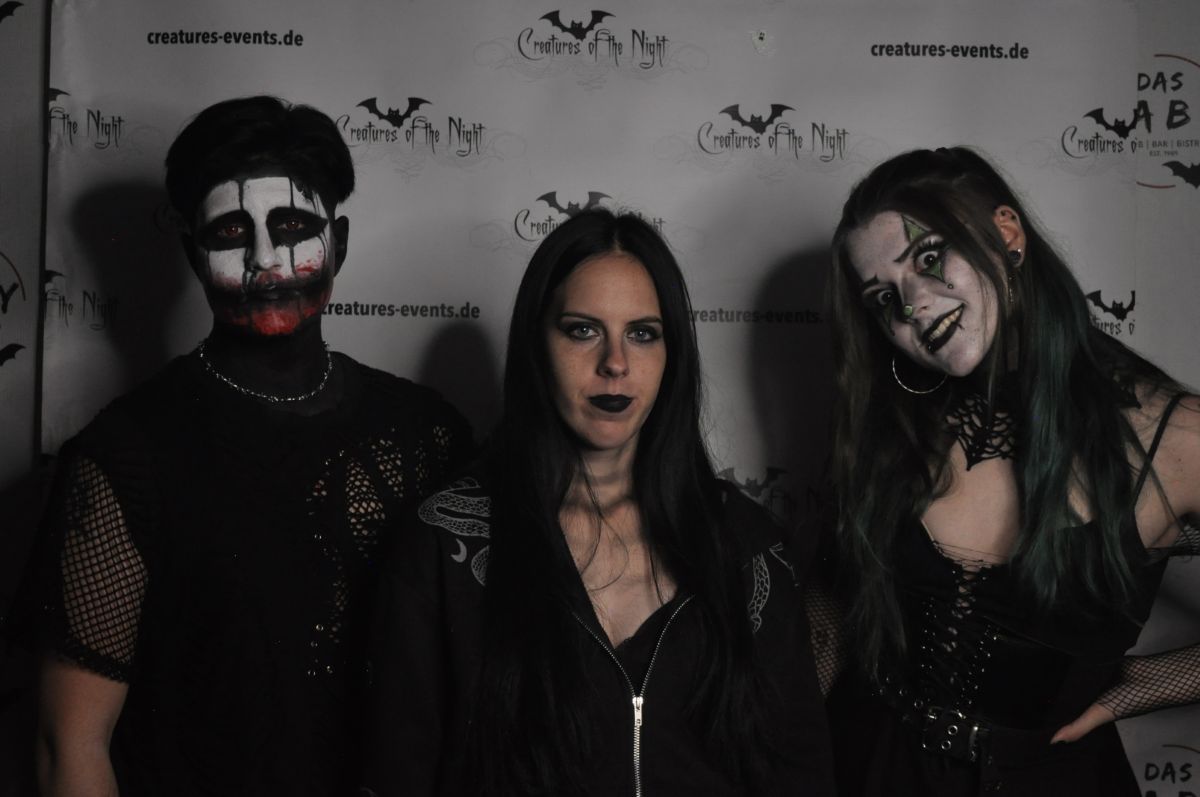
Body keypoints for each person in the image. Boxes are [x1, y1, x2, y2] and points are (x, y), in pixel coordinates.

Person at [30, 96, 472, 796]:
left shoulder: (428, 434)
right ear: (192, 253)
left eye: (293, 227)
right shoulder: (126, 455)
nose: (266, 259)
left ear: (340, 242)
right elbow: (71, 746)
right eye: (232, 232)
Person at [361, 209, 833, 796]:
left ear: (672, 353)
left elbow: (800, 774)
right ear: (537, 344)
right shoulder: (443, 546)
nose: (615, 363)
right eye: (582, 330)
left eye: (642, 333)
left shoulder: (748, 548)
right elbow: (398, 772)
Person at [819, 146, 1200, 796]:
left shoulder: (1174, 435)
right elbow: (831, 612)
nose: (912, 307)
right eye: (883, 297)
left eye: (929, 259)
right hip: (871, 766)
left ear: (1006, 234)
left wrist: (1146, 683)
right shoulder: (891, 422)